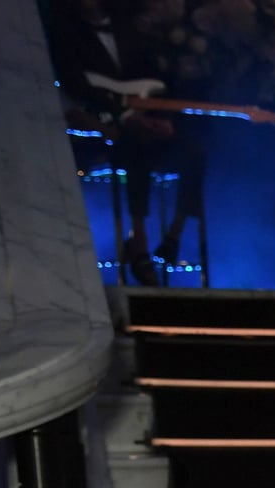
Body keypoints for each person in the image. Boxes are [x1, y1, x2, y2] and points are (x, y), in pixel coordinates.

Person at [46, 0, 206, 283]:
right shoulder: (66, 35)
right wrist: (122, 115)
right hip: (104, 130)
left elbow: (155, 79)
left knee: (195, 150)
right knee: (134, 146)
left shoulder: (130, 29)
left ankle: (174, 234)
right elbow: (76, 87)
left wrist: (162, 117)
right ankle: (139, 240)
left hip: (145, 119)